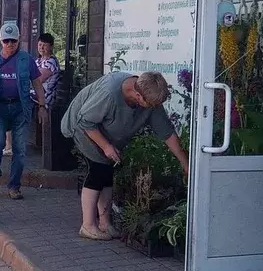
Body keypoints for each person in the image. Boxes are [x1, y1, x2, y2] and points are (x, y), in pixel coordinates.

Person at [63, 70, 189, 240]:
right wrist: (106, 147)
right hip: (83, 128)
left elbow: (167, 133)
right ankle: (87, 225)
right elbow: (85, 121)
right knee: (98, 170)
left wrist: (184, 163)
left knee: (107, 173)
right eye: (151, 105)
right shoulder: (109, 93)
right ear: (138, 95)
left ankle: (105, 224)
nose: (154, 108)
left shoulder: (150, 98)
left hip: (103, 132)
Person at [0, 22, 48, 200]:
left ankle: (14, 186)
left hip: (20, 108)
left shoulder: (26, 59)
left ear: (19, 41)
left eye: (13, 41)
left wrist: (42, 106)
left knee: (20, 149)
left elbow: (37, 84)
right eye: (6, 41)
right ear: (0, 41)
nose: (10, 44)